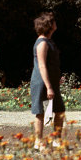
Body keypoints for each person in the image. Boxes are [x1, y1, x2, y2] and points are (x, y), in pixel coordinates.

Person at [30, 11, 64, 150]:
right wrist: (49, 86)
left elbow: (51, 64)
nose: (56, 23)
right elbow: (42, 65)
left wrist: (57, 78)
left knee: (59, 110)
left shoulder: (49, 41)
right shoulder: (42, 43)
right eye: (54, 21)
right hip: (42, 82)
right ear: (49, 25)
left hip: (51, 81)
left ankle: (56, 140)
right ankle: (38, 142)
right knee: (41, 112)